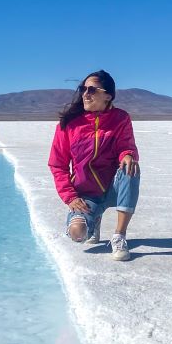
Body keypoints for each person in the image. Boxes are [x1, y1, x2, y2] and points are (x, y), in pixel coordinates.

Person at [48, 70, 140, 261]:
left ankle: (119, 236)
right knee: (77, 234)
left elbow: (126, 145)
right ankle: (93, 220)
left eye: (91, 89)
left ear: (108, 95)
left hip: (114, 186)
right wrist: (70, 197)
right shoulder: (69, 124)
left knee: (130, 167)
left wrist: (128, 154)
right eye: (83, 89)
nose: (85, 93)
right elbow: (58, 164)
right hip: (87, 193)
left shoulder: (120, 119)